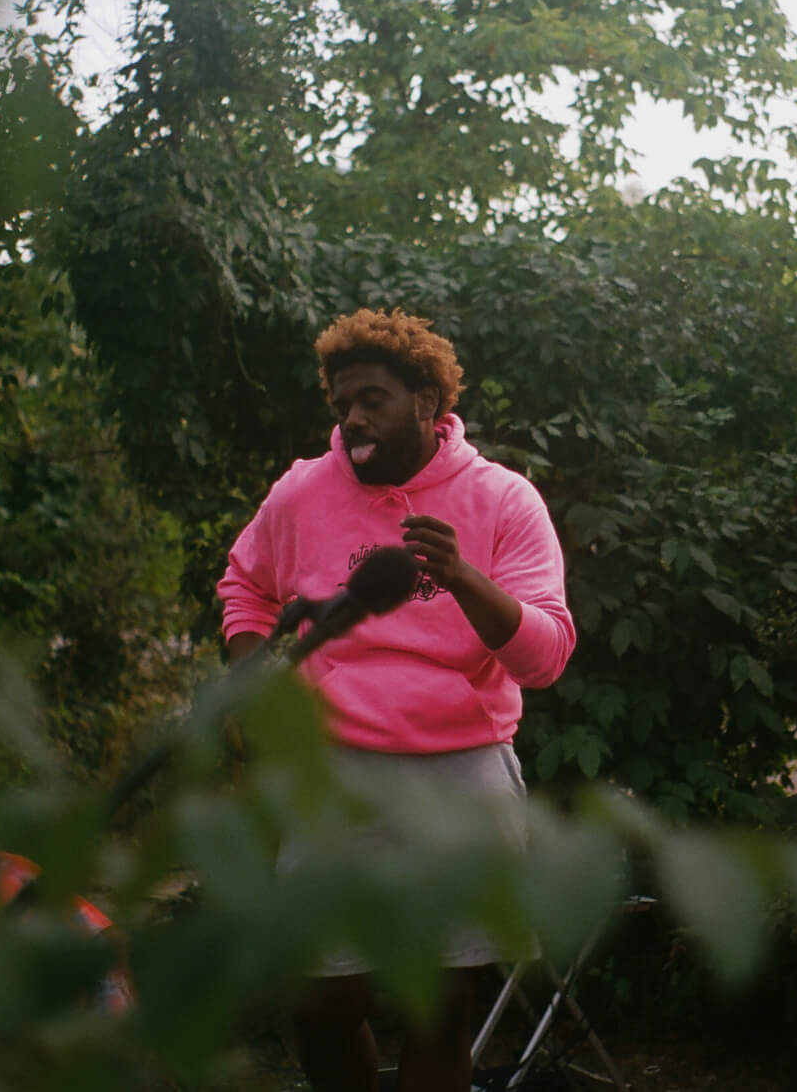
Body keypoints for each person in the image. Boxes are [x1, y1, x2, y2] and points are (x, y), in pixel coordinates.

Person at [218, 307, 576, 1092]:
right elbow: (244, 586)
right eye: (341, 404)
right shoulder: (303, 490)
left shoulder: (504, 500)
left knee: (437, 1013)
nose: (352, 420)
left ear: (427, 400)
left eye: (371, 398)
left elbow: (545, 656)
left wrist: (464, 579)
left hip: (459, 777)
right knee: (320, 1005)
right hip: (333, 776)